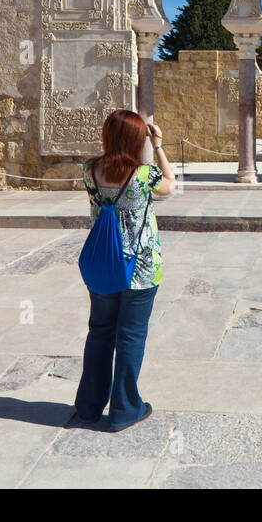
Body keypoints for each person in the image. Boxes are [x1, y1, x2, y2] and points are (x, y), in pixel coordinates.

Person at [73, 109, 176, 432]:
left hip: (103, 263)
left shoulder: (89, 170)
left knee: (100, 333)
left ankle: (89, 406)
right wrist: (157, 145)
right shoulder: (144, 176)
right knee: (130, 336)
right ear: (137, 140)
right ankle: (124, 408)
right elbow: (171, 185)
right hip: (141, 267)